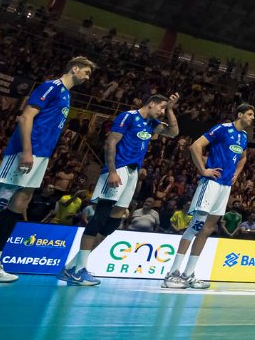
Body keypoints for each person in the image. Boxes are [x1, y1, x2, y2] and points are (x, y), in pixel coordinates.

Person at [0, 56, 96, 283]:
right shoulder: (51, 87)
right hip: (25, 152)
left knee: (20, 203)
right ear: (74, 69)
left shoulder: (66, 95)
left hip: (41, 155)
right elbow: (25, 117)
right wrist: (26, 150)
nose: (87, 77)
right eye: (86, 72)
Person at [62, 93, 178, 286]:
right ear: (151, 103)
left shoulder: (151, 124)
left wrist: (172, 110)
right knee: (100, 217)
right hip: (118, 169)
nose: (163, 112)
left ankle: (73, 266)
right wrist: (112, 171)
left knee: (113, 223)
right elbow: (111, 142)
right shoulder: (128, 116)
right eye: (162, 107)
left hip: (132, 173)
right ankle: (78, 270)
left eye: (165, 109)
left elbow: (173, 133)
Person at [161, 104, 254, 289]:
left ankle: (188, 274)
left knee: (208, 229)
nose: (252, 118)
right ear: (240, 114)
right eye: (250, 114)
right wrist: (203, 170)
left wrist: (238, 172)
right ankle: (172, 273)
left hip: (225, 186)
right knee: (195, 226)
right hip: (211, 183)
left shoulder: (244, 136)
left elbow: (243, 157)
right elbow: (196, 146)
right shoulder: (222, 128)